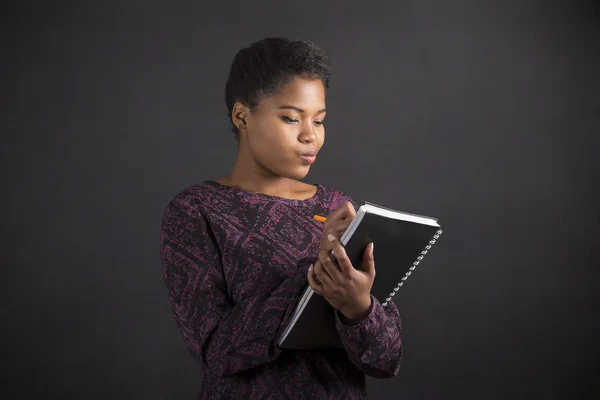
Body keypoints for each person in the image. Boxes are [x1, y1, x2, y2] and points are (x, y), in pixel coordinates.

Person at [159, 37, 402, 399]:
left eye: (319, 121)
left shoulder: (337, 208)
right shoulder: (197, 210)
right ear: (242, 116)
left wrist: (358, 309)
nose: (311, 136)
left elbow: (387, 360)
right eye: (291, 118)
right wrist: (313, 276)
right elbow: (217, 352)